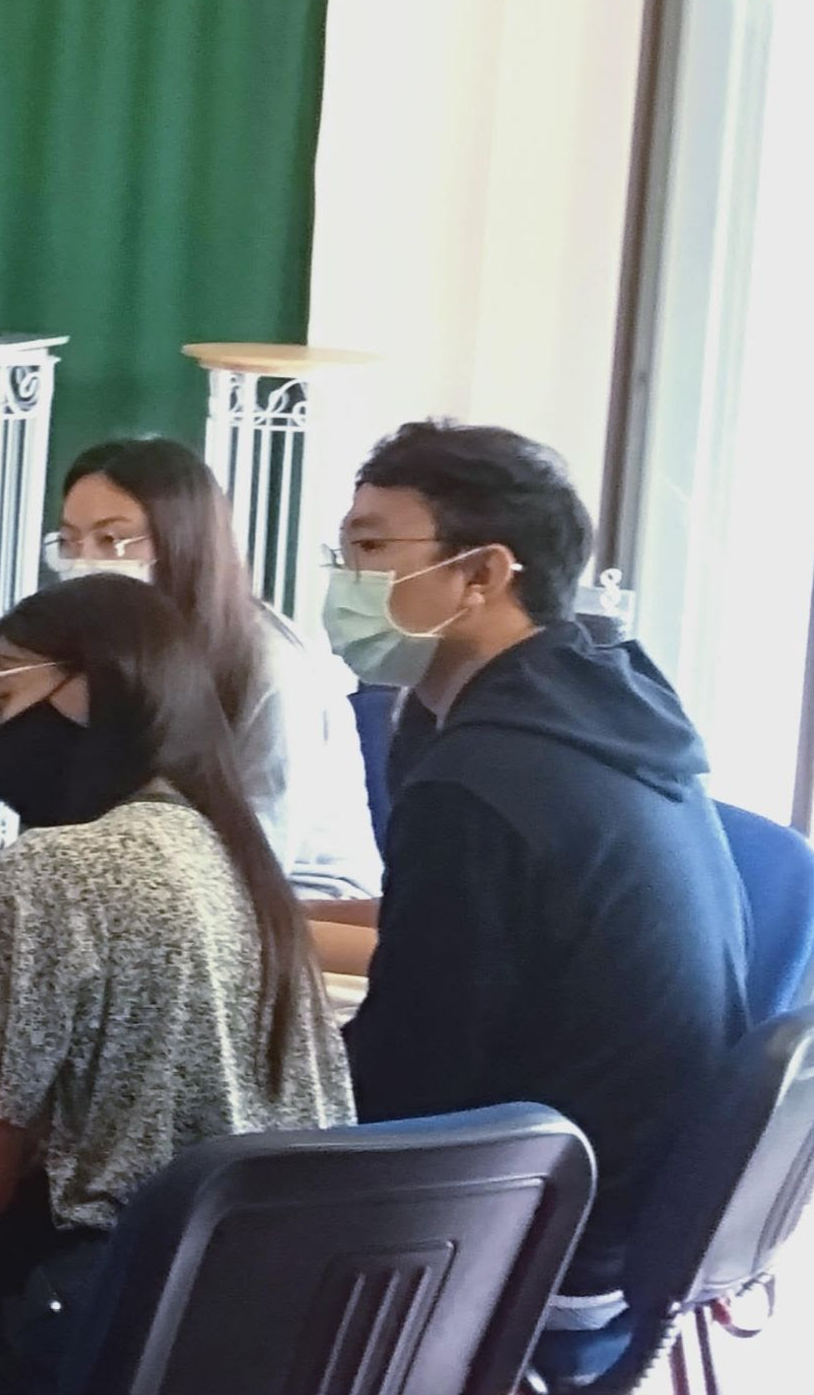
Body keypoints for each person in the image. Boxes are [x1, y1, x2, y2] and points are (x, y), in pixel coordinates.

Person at [0, 575, 351, 1395]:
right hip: (281, 1343)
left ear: (90, 683)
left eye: (2, 696)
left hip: (118, 1338)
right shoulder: (239, 861)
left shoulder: (51, 867)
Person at [320, 423, 748, 1296]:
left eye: (368, 548)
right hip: (634, 1209)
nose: (344, 580)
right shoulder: (601, 712)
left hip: (535, 1240)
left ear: (481, 574)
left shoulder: (485, 781)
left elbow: (410, 1074)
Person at [48, 438, 379, 899]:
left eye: (110, 540)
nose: (84, 562)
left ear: (181, 543)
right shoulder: (112, 648)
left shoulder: (270, 667)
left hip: (299, 906)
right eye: (69, 542)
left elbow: (257, 857)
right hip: (160, 891)